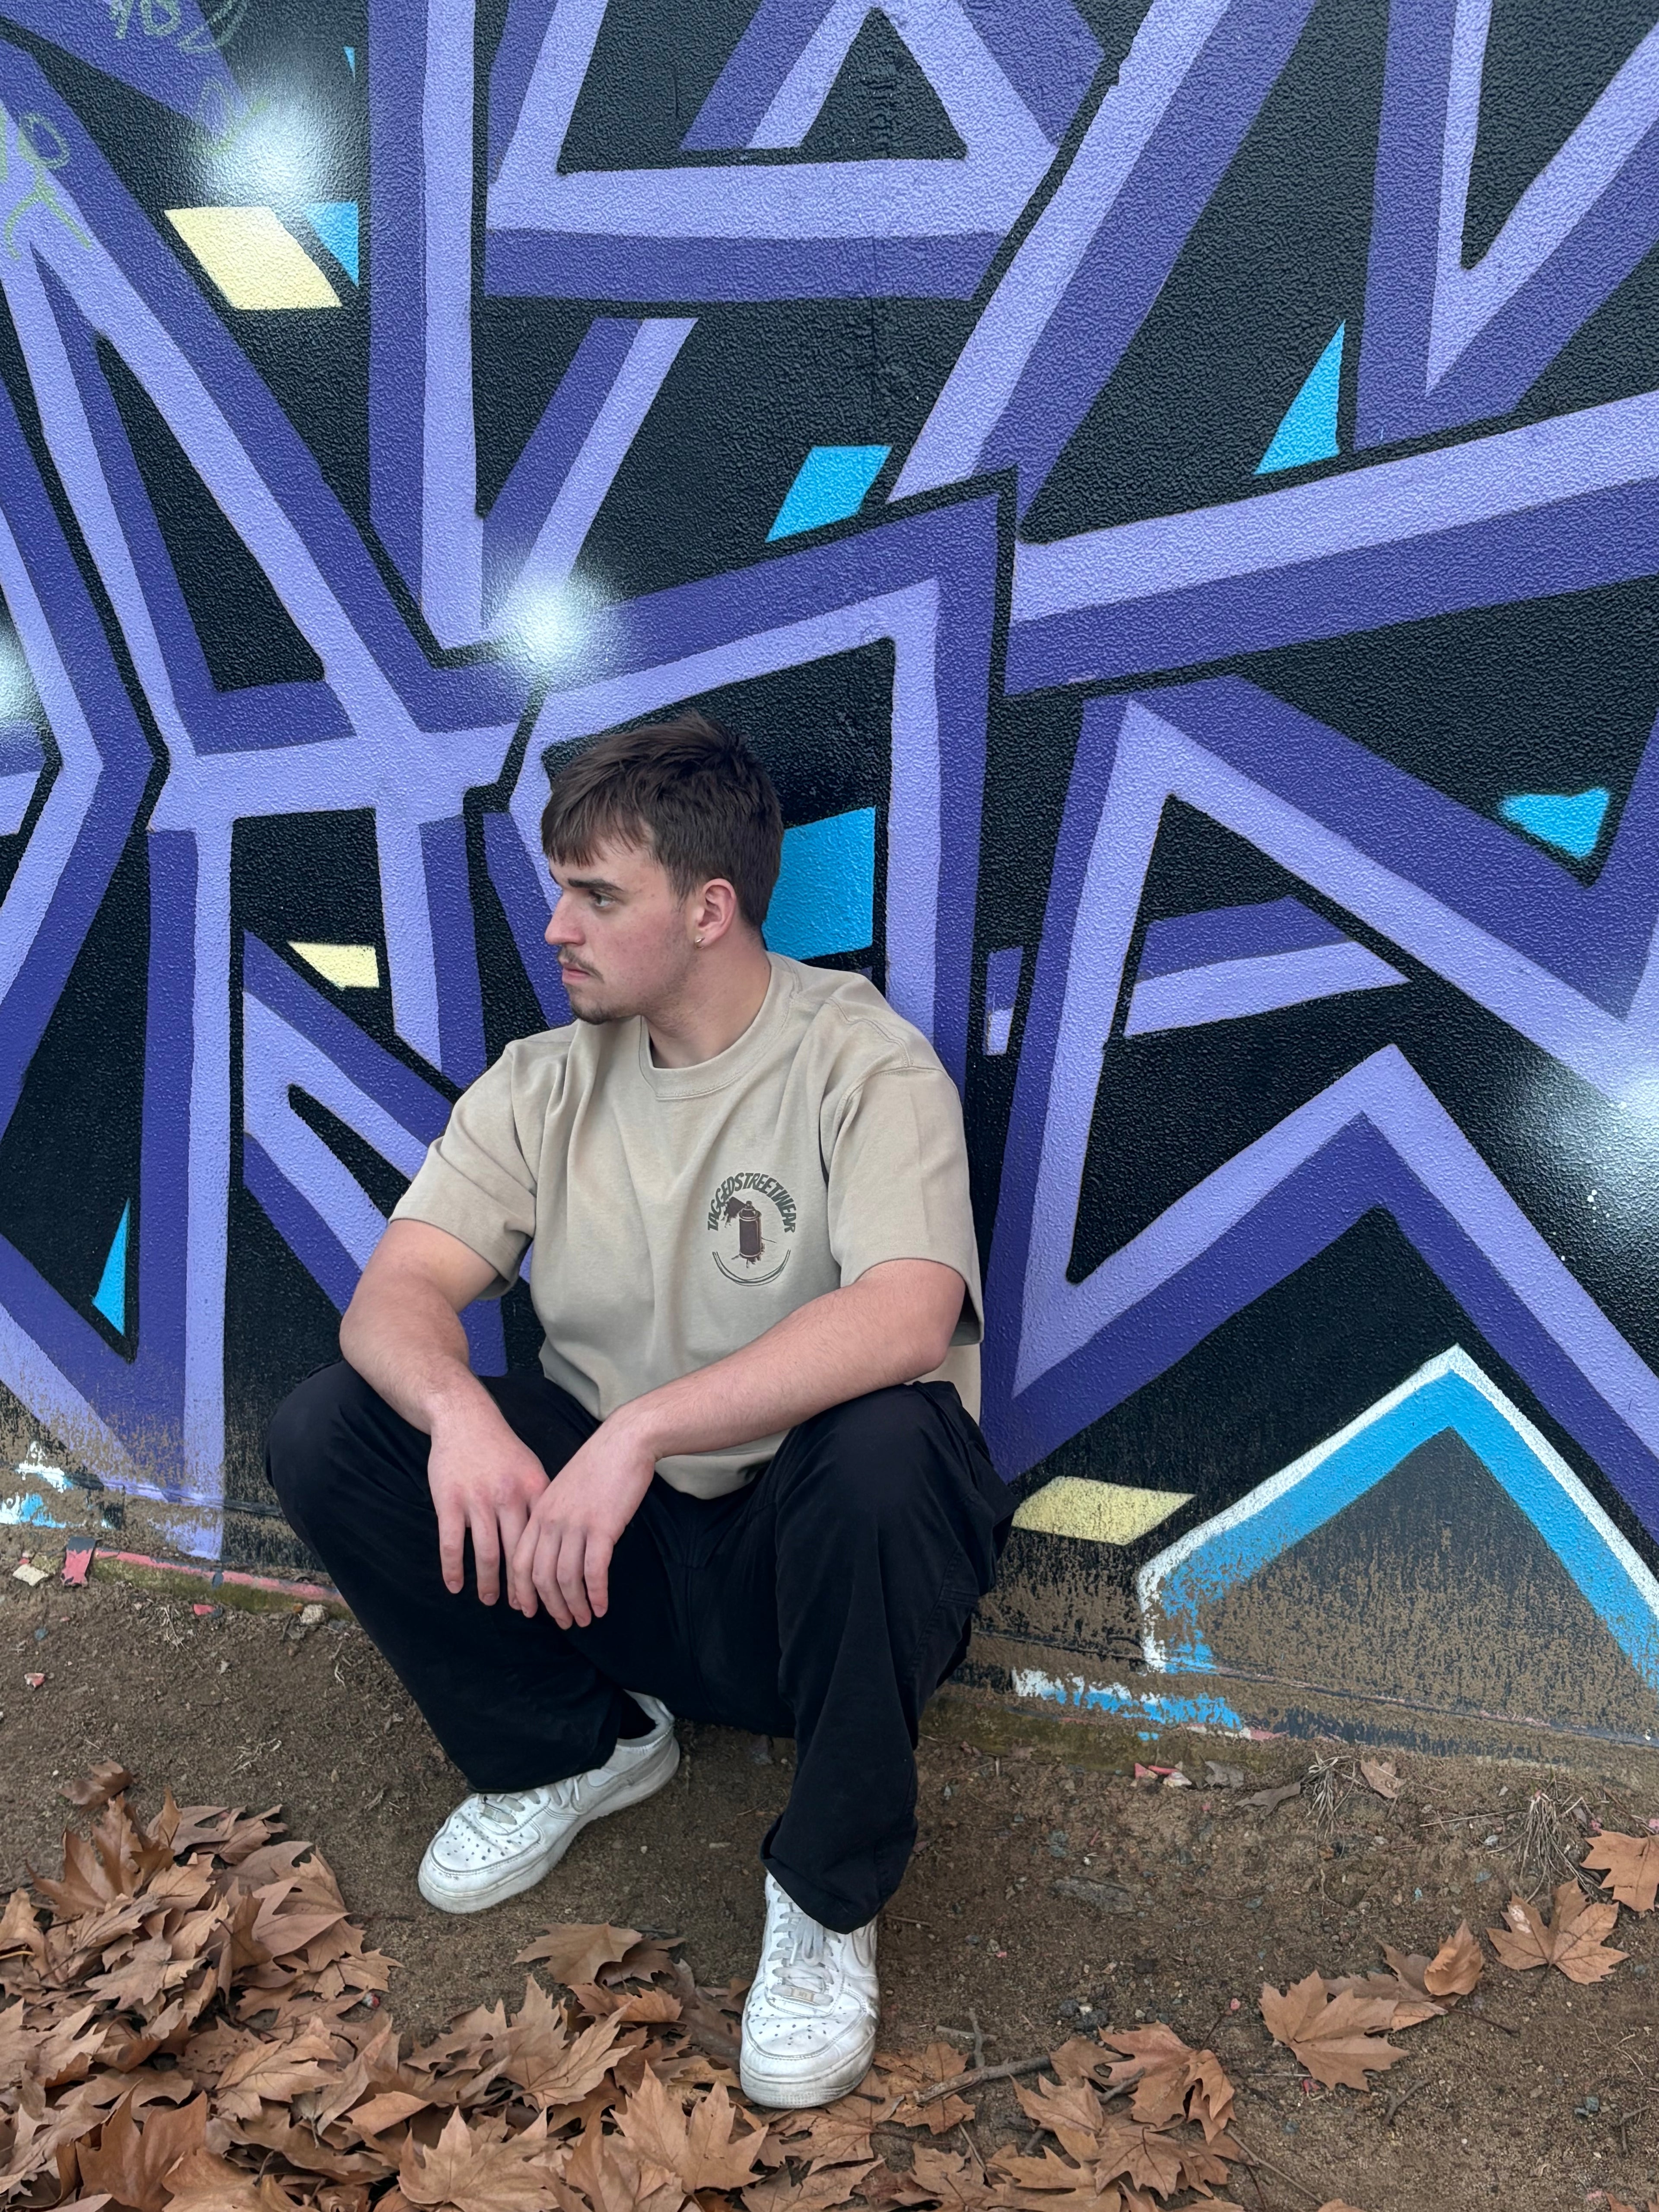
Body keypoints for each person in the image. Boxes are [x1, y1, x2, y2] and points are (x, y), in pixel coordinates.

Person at [266, 714, 1009, 2109]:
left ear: (710, 909)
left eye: (598, 895)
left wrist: (640, 1429)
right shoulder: (544, 1084)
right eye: (560, 890)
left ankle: (829, 1896)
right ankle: (579, 1747)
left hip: (808, 1579)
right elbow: (396, 1296)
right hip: (612, 1566)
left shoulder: (862, 1063)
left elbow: (910, 1309)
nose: (558, 927)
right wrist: (465, 1416)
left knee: (893, 1447)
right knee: (335, 1425)